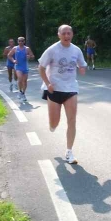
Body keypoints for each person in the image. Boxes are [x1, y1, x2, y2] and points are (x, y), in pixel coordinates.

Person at [38, 25, 87, 164]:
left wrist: (82, 68)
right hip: (54, 89)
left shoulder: (76, 50)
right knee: (55, 122)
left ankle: (69, 152)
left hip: (70, 88)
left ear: (72, 34)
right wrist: (47, 84)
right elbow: (41, 67)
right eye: (64, 33)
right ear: (59, 35)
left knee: (72, 120)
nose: (67, 35)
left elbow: (82, 64)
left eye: (69, 33)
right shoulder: (52, 50)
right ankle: (52, 124)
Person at [7, 37, 35, 101]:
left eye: (22, 41)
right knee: (20, 79)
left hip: (25, 66)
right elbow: (9, 55)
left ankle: (23, 93)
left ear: (24, 41)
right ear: (17, 41)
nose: (21, 42)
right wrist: (13, 61)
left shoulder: (27, 49)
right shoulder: (15, 48)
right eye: (19, 41)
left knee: (24, 81)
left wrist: (30, 56)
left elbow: (33, 56)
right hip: (18, 66)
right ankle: (19, 91)